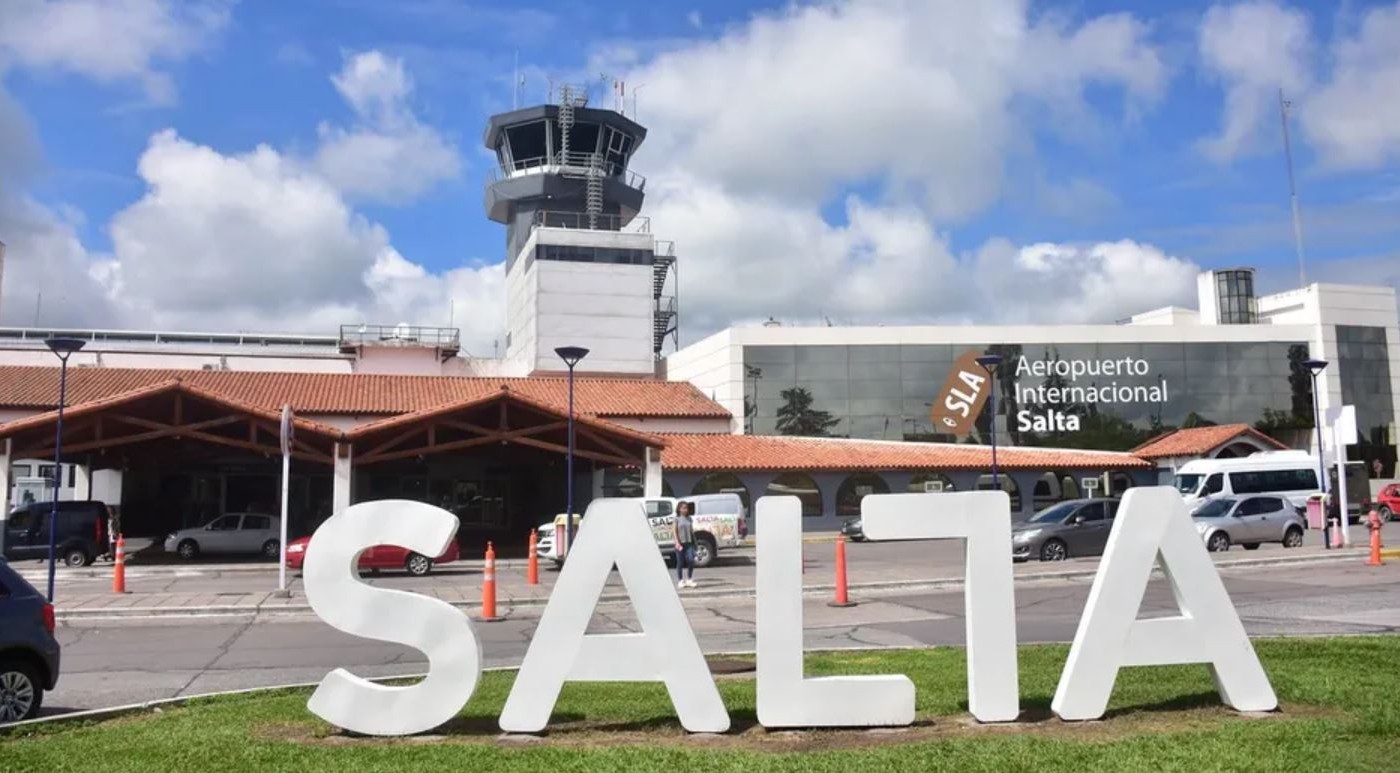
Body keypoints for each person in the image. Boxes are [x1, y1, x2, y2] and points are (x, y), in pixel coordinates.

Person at [673, 500, 697, 589]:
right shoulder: (676, 519)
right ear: (679, 509)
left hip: (689, 542)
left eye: (686, 508)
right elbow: (674, 531)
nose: (685, 510)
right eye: (683, 508)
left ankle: (689, 579)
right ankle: (680, 580)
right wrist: (677, 542)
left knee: (691, 560)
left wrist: (695, 543)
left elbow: (692, 531)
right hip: (680, 543)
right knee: (680, 562)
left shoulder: (689, 518)